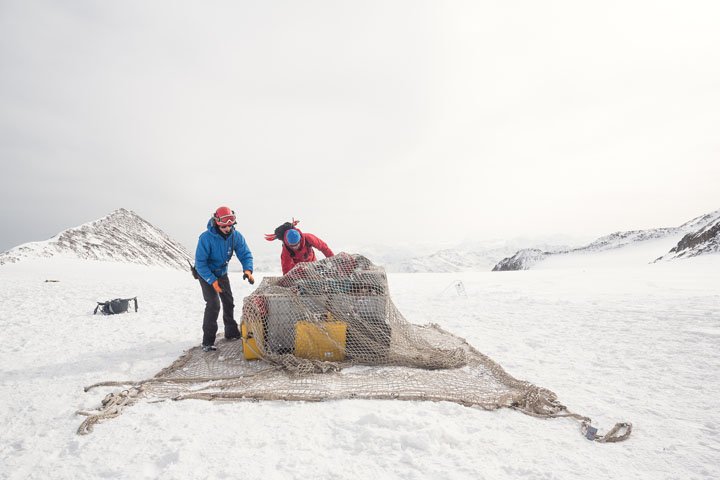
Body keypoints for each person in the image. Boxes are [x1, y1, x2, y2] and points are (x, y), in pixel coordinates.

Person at [195, 206, 254, 352]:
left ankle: (231, 332)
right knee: (213, 304)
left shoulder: (236, 236)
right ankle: (208, 341)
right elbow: (200, 263)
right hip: (206, 273)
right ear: (217, 223)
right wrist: (212, 281)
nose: (227, 228)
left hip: (221, 273)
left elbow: (245, 253)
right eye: (224, 226)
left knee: (228, 302)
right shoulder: (205, 238)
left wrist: (248, 269)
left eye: (230, 225)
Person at [264, 220, 334, 274]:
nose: (295, 247)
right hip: (298, 271)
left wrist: (334, 260)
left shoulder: (308, 238)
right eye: (292, 246)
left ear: (300, 239)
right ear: (288, 243)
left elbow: (324, 248)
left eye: (297, 244)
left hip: (312, 263)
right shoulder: (286, 249)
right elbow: (286, 267)